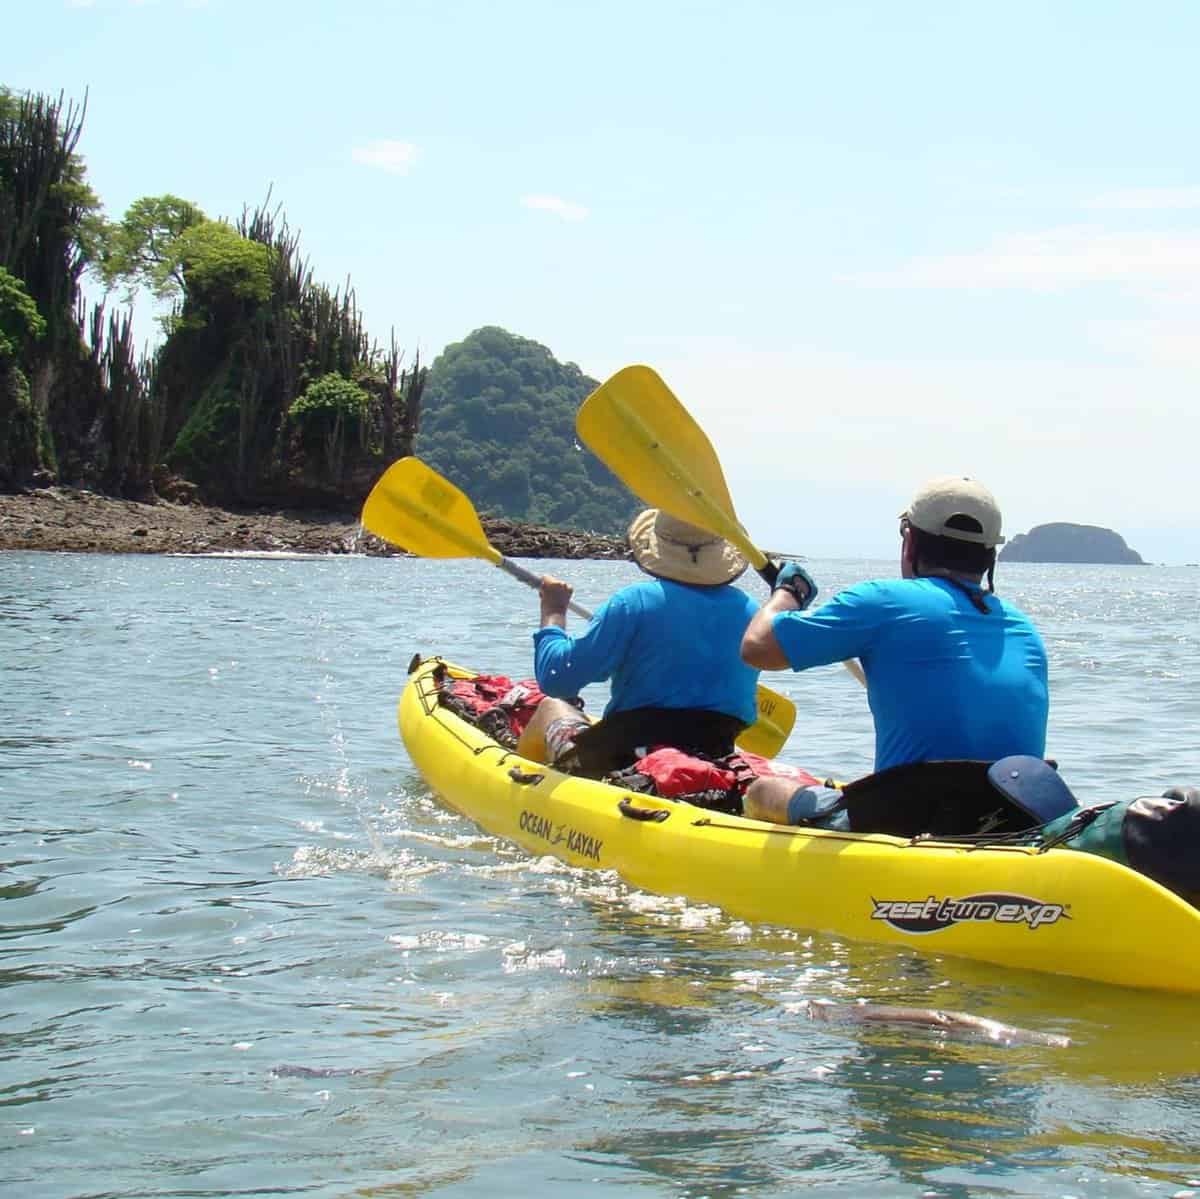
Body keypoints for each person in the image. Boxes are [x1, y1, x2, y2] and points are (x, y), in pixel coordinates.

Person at [739, 476, 1049, 825]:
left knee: (763, 790)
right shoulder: (1024, 629)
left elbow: (756, 647)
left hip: (908, 819)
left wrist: (788, 592)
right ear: (990, 556)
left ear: (910, 540)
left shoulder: (883, 601)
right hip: (1015, 817)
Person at [516, 509, 761, 778]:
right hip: (713, 755)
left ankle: (518, 786)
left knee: (551, 706)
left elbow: (556, 678)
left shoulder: (633, 602)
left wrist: (554, 611)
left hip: (624, 758)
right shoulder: (752, 612)